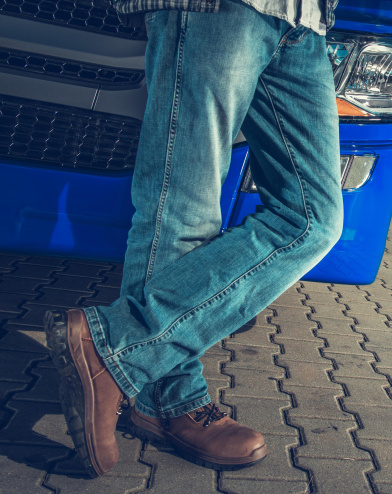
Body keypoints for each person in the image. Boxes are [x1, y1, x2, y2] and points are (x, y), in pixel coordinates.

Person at [44, 0, 342, 477]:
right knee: (183, 212)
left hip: (307, 22)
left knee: (313, 220)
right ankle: (168, 398)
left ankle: (117, 346)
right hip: (221, 9)